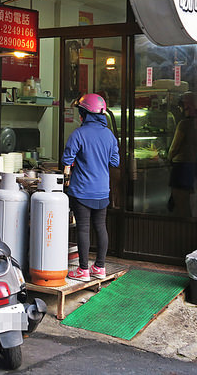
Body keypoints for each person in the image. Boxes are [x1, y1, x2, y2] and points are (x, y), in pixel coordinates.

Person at [62, 93, 120, 282]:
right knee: (101, 227)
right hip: (102, 190)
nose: (80, 116)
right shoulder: (109, 135)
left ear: (85, 114)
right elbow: (115, 161)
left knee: (83, 229)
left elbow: (67, 160)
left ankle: (84, 270)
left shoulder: (78, 134)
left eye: (81, 112)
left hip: (81, 191)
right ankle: (100, 267)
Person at [167, 92, 197, 216]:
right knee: (188, 201)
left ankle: (180, 227)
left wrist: (168, 157)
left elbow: (174, 147)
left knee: (180, 201)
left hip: (181, 167)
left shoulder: (184, 124)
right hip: (193, 165)